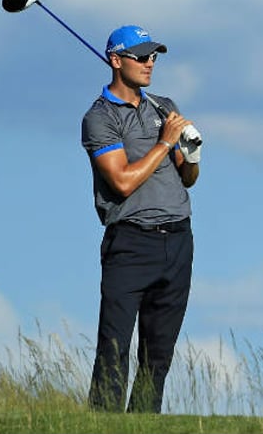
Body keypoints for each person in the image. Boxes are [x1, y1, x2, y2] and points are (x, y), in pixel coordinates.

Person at [81, 25, 202, 413]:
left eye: (154, 56)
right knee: (114, 348)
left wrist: (192, 152)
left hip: (179, 241)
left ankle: (144, 422)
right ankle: (103, 423)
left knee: (158, 353)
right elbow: (121, 182)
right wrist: (165, 142)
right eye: (141, 56)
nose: (150, 63)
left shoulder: (164, 106)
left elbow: (189, 178)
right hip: (131, 244)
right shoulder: (99, 118)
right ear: (116, 61)